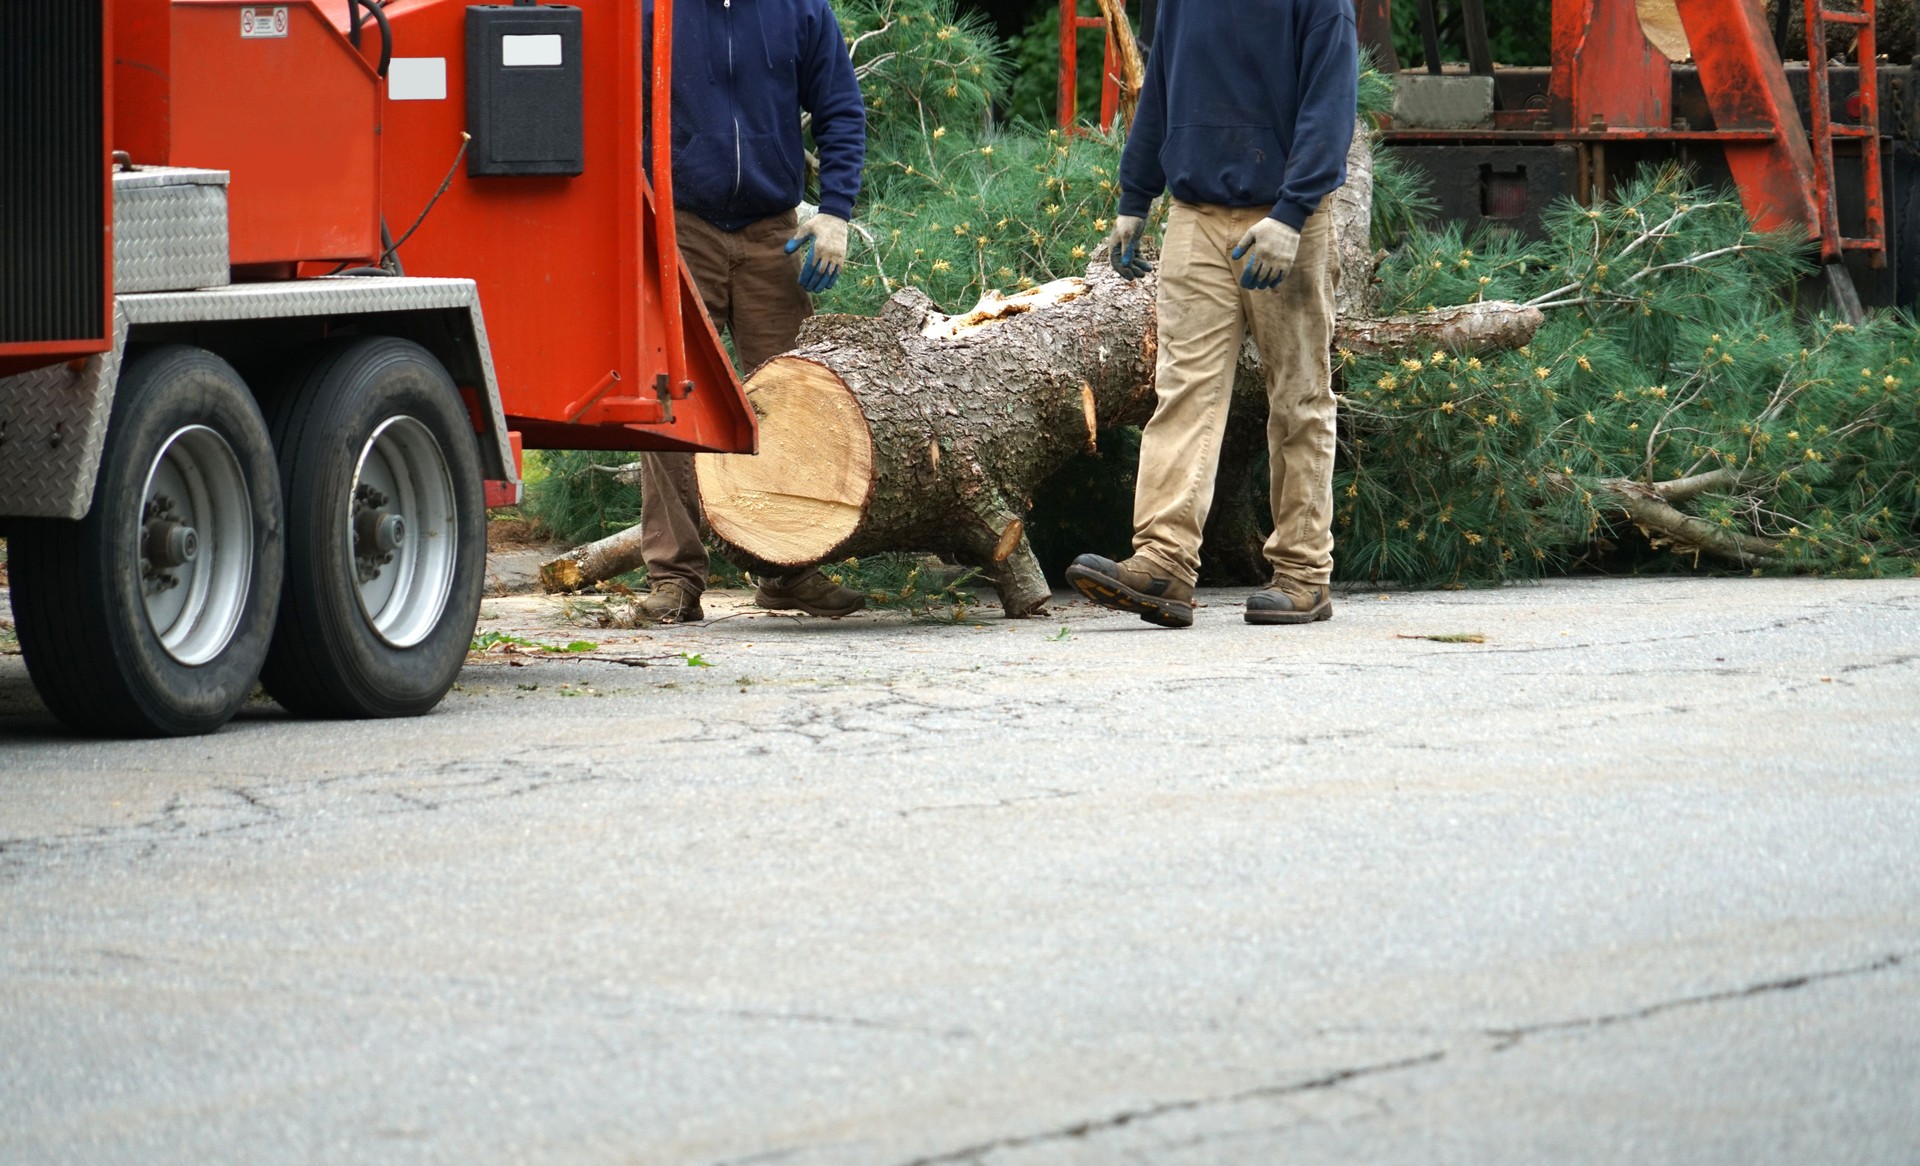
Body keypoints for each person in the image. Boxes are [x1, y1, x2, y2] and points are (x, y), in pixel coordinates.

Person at [1067, 0, 1357, 629]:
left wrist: (1292, 212)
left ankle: (1304, 575)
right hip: (1195, 215)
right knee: (1183, 390)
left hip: (1286, 223)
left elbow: (1331, 103)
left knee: (1299, 396)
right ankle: (1164, 562)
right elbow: (1162, 87)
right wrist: (1135, 194)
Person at [637, 0, 869, 623]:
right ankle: (676, 578)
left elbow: (841, 108)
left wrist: (836, 211)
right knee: (670, 396)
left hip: (775, 233)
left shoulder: (802, 9)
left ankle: (787, 572)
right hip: (680, 227)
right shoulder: (649, 11)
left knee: (791, 401)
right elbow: (609, 108)